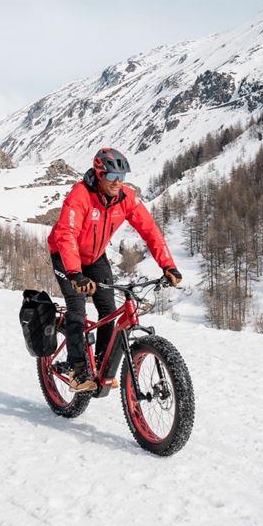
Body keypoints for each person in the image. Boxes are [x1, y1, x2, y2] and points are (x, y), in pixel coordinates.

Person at [48, 148, 182, 391]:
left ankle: (100, 366)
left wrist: (168, 265)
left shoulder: (126, 197)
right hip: (65, 255)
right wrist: (75, 274)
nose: (118, 182)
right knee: (77, 309)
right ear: (99, 175)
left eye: (122, 176)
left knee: (109, 310)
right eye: (112, 177)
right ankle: (78, 370)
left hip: (96, 257)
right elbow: (66, 235)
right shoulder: (80, 196)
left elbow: (150, 230)